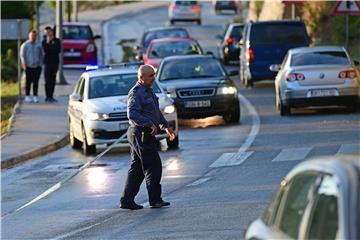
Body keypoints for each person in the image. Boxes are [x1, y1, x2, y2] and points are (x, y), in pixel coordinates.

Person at [120, 64, 176, 210]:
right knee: (153, 166)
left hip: (145, 133)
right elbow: (132, 115)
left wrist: (166, 127)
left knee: (137, 168)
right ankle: (155, 199)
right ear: (141, 77)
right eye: (150, 76)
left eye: (153, 75)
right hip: (141, 133)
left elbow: (156, 112)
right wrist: (148, 124)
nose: (153, 78)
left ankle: (127, 200)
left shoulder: (149, 91)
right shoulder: (136, 93)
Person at [20, 30, 43, 103]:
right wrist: (24, 64)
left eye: (34, 35)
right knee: (28, 82)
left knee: (36, 82)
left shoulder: (39, 45)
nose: (33, 37)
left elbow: (42, 55)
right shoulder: (25, 45)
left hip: (37, 66)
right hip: (28, 66)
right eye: (32, 35)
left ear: (36, 36)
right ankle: (27, 96)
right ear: (29, 36)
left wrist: (40, 64)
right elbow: (22, 55)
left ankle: (35, 96)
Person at [42, 26, 61, 102]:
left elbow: (58, 50)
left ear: (52, 32)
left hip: (55, 63)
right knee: (47, 80)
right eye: (46, 33)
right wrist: (48, 43)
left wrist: (51, 48)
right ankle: (47, 96)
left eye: (49, 32)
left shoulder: (57, 41)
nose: (48, 34)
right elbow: (46, 50)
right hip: (47, 63)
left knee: (53, 80)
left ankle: (51, 96)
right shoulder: (44, 41)